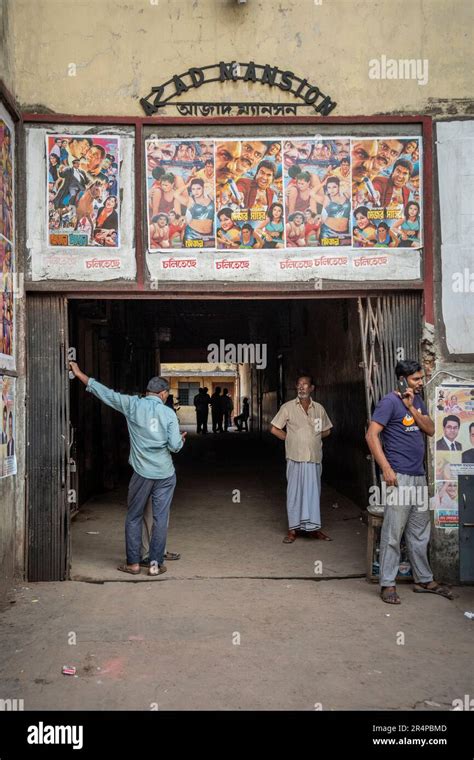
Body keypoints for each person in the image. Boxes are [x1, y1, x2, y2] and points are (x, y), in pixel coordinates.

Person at [69, 362, 186, 577]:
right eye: (167, 394)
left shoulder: (132, 404)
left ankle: (132, 564)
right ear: (162, 394)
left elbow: (106, 394)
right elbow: (174, 446)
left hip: (142, 473)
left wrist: (80, 375)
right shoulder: (169, 414)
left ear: (147, 393)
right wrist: (181, 440)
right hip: (165, 474)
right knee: (160, 520)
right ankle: (154, 565)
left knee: (134, 516)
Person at [365, 359, 453, 604]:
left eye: (421, 378)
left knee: (419, 531)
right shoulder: (388, 402)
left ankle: (423, 579)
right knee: (393, 532)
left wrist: (412, 408)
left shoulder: (417, 401)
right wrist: (386, 468)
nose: (420, 382)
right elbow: (371, 435)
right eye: (416, 379)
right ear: (402, 380)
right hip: (399, 477)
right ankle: (387, 583)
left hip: (418, 476)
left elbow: (431, 429)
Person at [270, 374, 333, 543]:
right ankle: (292, 530)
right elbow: (275, 429)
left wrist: (313, 437)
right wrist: (290, 438)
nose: (301, 387)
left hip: (313, 458)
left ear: (312, 388)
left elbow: (325, 431)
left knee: (313, 494)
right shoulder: (288, 407)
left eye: (305, 384)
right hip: (295, 457)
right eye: (299, 384)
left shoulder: (318, 409)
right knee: (294, 493)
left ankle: (314, 529)